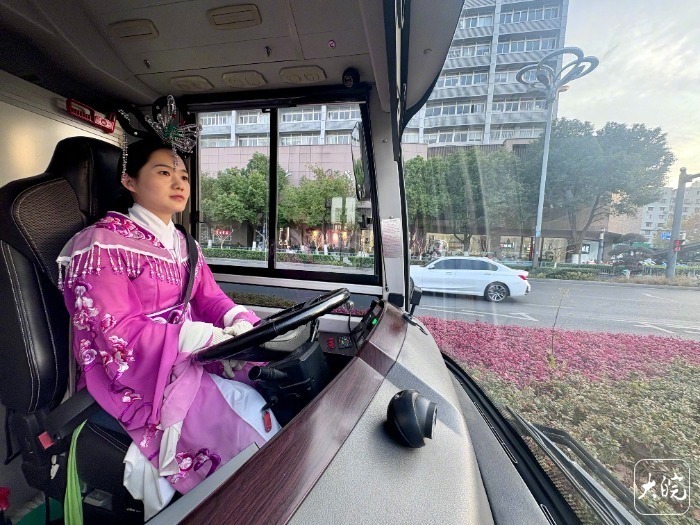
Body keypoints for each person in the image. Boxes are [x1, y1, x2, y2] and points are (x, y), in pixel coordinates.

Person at [57, 139, 280, 519]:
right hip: (135, 374)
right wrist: (201, 337)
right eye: (163, 172)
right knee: (244, 428)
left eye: (184, 176)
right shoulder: (100, 245)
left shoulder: (184, 244)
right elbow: (114, 333)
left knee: (268, 384)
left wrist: (238, 321)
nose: (178, 183)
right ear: (129, 180)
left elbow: (210, 298)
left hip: (189, 356)